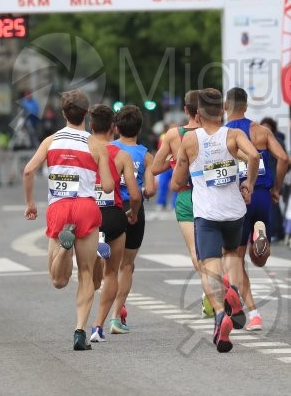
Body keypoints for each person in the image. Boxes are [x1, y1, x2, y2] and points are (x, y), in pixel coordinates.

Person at [22, 89, 115, 351]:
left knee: (58, 280)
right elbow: (108, 186)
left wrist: (30, 203)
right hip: (86, 208)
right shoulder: (96, 145)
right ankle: (79, 332)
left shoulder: (50, 141)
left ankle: (65, 248)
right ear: (86, 115)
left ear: (63, 114)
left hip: (59, 208)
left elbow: (28, 170)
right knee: (86, 275)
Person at [170, 88, 260, 353]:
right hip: (234, 212)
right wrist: (249, 184)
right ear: (222, 110)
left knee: (209, 265)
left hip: (206, 214)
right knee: (232, 254)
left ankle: (221, 313)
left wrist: (186, 176)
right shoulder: (234, 135)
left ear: (197, 114)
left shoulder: (189, 141)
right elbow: (254, 156)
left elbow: (176, 182)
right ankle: (233, 289)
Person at [224, 87, 290, 331]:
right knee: (260, 260)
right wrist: (276, 188)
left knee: (236, 259)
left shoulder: (223, 134)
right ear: (246, 106)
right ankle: (259, 234)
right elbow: (283, 158)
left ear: (225, 107)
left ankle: (254, 314)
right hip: (262, 195)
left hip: (237, 197)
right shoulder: (261, 131)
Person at [151, 91, 211, 315]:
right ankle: (216, 291)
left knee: (196, 251)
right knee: (218, 251)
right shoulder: (215, 132)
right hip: (213, 195)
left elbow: (156, 168)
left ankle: (210, 293)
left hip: (186, 195)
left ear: (186, 110)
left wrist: (173, 160)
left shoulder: (174, 135)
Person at [87, 105, 142, 344]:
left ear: (91, 126)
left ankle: (82, 321)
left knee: (88, 274)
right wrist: (133, 212)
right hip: (114, 214)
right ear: (113, 127)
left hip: (88, 213)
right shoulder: (122, 156)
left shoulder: (83, 150)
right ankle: (99, 326)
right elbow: (136, 194)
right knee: (112, 273)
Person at [109, 105, 156, 334]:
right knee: (127, 265)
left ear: (116, 128)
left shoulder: (108, 149)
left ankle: (101, 312)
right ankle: (116, 316)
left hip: (109, 208)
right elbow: (152, 189)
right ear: (139, 129)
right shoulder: (146, 155)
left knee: (110, 265)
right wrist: (143, 191)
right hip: (134, 209)